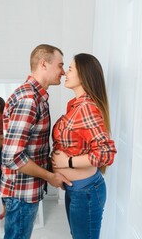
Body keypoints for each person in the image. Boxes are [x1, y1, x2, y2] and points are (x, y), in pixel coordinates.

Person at [0, 44, 72, 239]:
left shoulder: (36, 97)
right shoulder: (29, 99)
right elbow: (13, 157)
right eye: (60, 65)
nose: (63, 72)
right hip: (21, 194)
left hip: (21, 193)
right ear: (43, 64)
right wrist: (50, 176)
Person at [51, 53, 117, 239]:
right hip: (76, 189)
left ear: (84, 75)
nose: (65, 73)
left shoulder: (86, 107)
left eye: (70, 69)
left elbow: (106, 153)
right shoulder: (75, 106)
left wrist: (68, 162)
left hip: (86, 191)